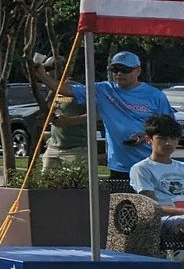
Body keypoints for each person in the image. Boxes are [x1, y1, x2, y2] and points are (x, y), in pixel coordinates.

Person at [37, 49, 173, 184]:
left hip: (150, 164)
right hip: (119, 167)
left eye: (125, 70)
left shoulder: (155, 95)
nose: (119, 74)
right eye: (115, 69)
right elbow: (66, 90)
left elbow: (169, 127)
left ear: (138, 71)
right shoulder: (104, 90)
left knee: (148, 198)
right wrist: (41, 74)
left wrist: (146, 135)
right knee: (120, 198)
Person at [130, 114, 184, 250]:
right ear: (149, 139)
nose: (168, 143)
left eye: (173, 138)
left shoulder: (181, 167)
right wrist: (181, 211)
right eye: (162, 138)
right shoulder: (142, 168)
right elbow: (152, 207)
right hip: (163, 219)